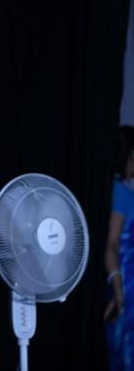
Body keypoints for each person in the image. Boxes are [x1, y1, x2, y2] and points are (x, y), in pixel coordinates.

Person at [104, 125, 134, 370]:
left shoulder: (121, 190)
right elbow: (111, 244)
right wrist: (118, 289)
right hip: (126, 280)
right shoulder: (121, 192)